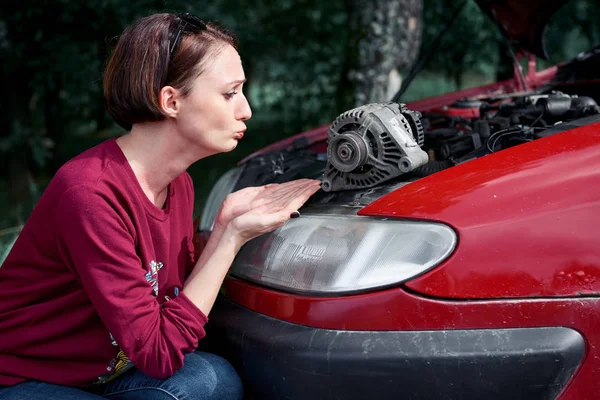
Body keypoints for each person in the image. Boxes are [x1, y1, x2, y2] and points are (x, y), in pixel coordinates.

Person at [0, 12, 321, 400]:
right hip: (24, 379)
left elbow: (171, 314)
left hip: (108, 371)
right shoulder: (90, 195)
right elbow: (159, 353)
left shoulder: (178, 184)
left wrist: (223, 225)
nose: (246, 110)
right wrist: (231, 239)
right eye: (230, 93)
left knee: (212, 380)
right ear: (171, 100)